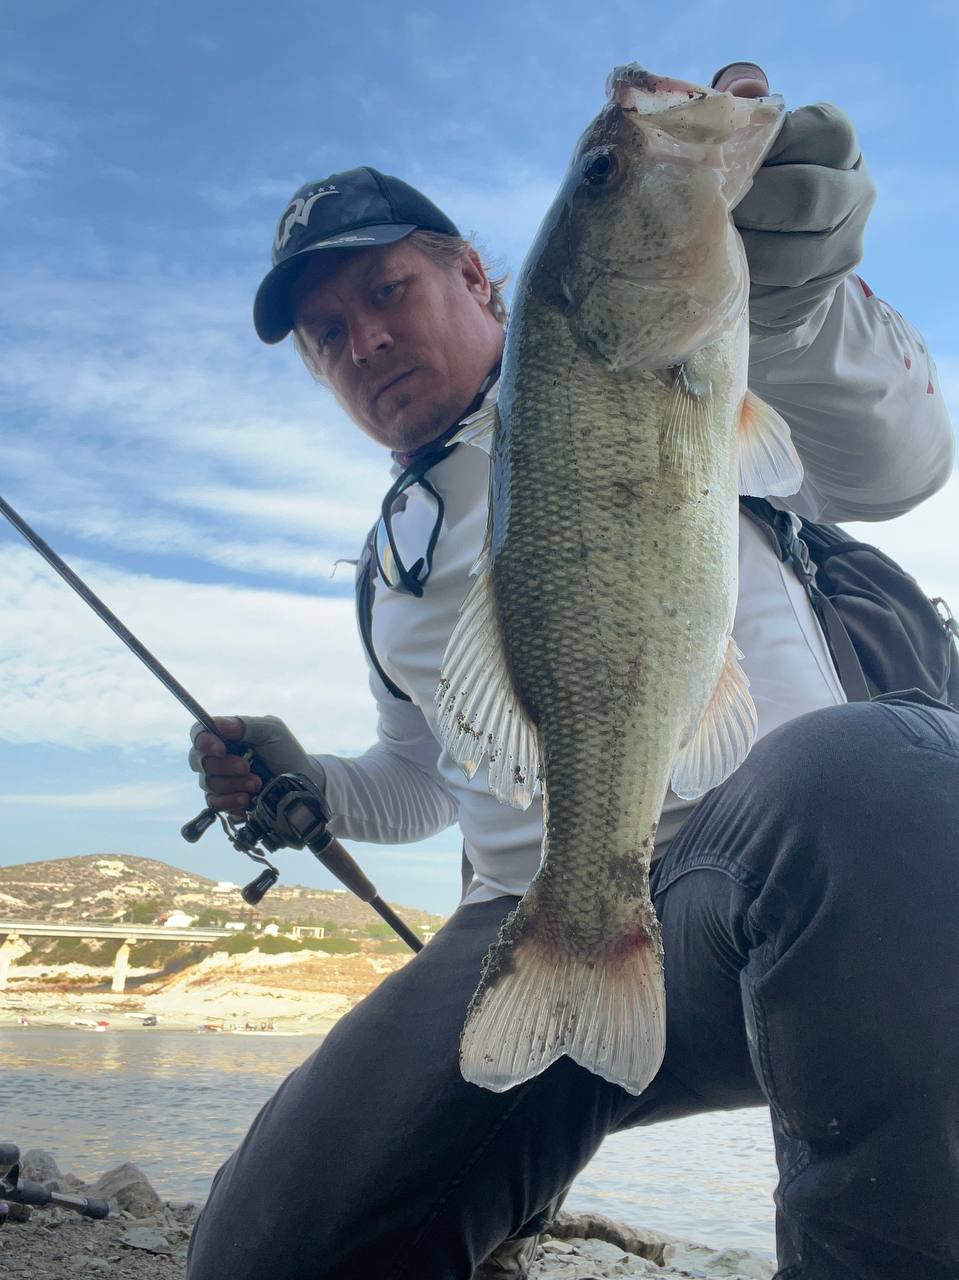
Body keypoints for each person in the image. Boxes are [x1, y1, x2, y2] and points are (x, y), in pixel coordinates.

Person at [185, 62, 958, 1280]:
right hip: (543, 923)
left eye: (385, 290)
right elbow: (430, 778)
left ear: (475, 275)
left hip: (793, 881)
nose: (363, 339)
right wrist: (312, 784)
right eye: (326, 334)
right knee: (260, 1250)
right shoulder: (391, 568)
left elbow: (898, 459)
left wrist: (799, 293)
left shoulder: (688, 346)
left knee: (870, 771)